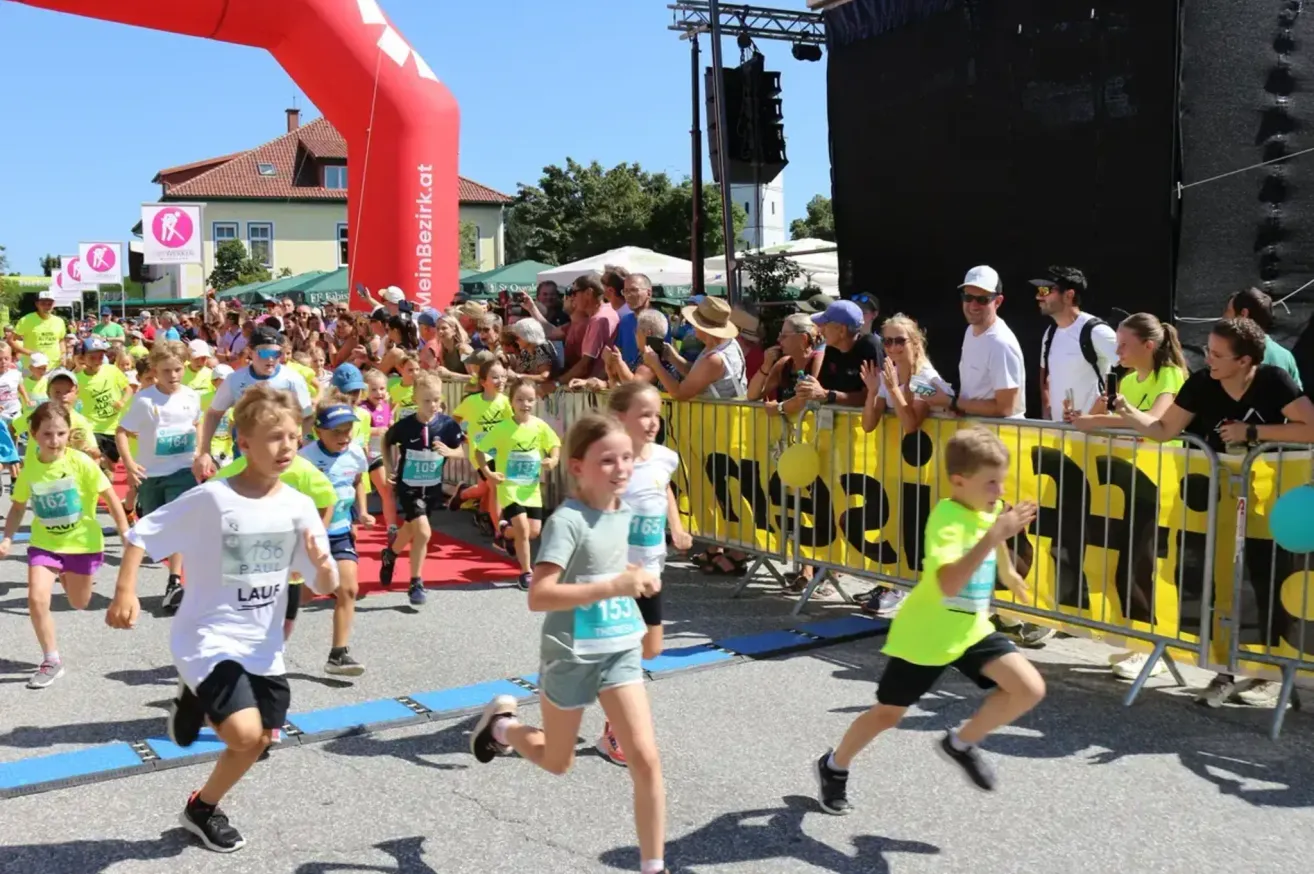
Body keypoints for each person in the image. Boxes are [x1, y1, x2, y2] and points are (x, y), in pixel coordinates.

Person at [106, 384, 339, 854]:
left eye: (294, 436)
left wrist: (325, 563)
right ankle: (199, 690)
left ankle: (201, 806)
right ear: (244, 443)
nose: (287, 446)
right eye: (274, 437)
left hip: (263, 645)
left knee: (259, 742)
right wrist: (124, 592)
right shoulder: (212, 499)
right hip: (207, 636)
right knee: (244, 732)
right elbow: (141, 535)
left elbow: (324, 585)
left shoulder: (298, 506)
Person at [469, 413, 668, 874]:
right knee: (556, 762)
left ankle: (654, 866)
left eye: (625, 458)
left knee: (647, 758)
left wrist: (643, 582)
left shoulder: (625, 512)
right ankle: (502, 726)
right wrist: (614, 587)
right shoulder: (568, 521)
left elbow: (626, 572)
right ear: (577, 467)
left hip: (619, 651)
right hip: (570, 653)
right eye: (607, 460)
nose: (621, 468)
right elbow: (540, 596)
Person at [814, 427, 1044, 813]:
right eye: (991, 482)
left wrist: (1009, 572)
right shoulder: (947, 520)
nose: (999, 492)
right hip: (927, 634)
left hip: (970, 629)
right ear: (959, 481)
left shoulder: (983, 509)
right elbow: (949, 583)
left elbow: (994, 530)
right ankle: (834, 767)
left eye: (1002, 482)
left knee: (1029, 688)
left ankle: (960, 742)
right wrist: (995, 537)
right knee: (888, 714)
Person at [1111, 317, 1314, 707]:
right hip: (1218, 499)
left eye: (1218, 354)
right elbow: (1164, 430)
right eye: (1207, 350)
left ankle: (1267, 673)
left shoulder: (1272, 381)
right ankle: (1225, 670)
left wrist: (1253, 433)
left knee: (1264, 578)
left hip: (1268, 499)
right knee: (1218, 582)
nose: (1208, 359)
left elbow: (1310, 426)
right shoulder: (1203, 383)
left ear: (1245, 361)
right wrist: (1127, 413)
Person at [1069, 312, 1188, 679]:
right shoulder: (1128, 377)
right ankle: (1138, 640)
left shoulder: (1169, 375)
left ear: (1148, 346)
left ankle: (1149, 645)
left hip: (1157, 484)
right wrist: (1087, 416)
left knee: (1142, 565)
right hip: (1127, 482)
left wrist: (1100, 419)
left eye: (1124, 344)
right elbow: (1107, 418)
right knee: (1125, 565)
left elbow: (1154, 421)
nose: (1117, 350)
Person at [0, 402, 131, 689]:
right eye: (47, 434)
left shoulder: (81, 462)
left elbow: (109, 496)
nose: (54, 440)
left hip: (81, 544)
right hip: (44, 543)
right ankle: (51, 659)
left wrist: (125, 533)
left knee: (78, 602)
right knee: (36, 598)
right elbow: (19, 506)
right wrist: (7, 537)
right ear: (34, 434)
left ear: (69, 433)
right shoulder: (31, 465)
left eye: (60, 433)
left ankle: (66, 574)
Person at [595, 383, 692, 767]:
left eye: (656, 414)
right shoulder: (610, 462)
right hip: (618, 575)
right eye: (644, 415)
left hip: (652, 571)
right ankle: (615, 728)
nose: (653, 422)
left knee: (651, 648)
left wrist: (677, 526)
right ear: (622, 418)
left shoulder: (666, 457)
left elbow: (663, 490)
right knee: (625, 655)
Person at [116, 340, 203, 615]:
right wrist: (129, 465)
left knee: (178, 524)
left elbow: (198, 423)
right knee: (156, 528)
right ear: (155, 370)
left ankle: (175, 582)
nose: (174, 376)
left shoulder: (191, 396)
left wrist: (201, 452)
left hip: (183, 471)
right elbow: (121, 431)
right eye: (167, 371)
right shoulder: (144, 400)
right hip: (151, 473)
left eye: (178, 369)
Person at [379, 372, 465, 604]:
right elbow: (386, 441)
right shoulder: (406, 426)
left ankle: (390, 554)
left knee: (411, 529)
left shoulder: (447, 425)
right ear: (415, 399)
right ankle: (416, 582)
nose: (433, 405)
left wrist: (450, 452)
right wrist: (388, 468)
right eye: (426, 400)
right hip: (409, 487)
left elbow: (462, 450)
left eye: (436, 399)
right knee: (424, 532)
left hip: (432, 488)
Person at [300, 400, 372, 675]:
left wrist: (361, 512)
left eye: (348, 430)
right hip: (310, 536)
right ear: (319, 431)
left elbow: (356, 482)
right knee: (304, 594)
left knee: (348, 589)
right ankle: (265, 629)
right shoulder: (304, 458)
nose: (344, 437)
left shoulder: (355, 454)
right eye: (336, 432)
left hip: (340, 531)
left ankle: (338, 655)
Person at [194, 325, 313, 479]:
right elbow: (213, 414)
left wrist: (306, 444)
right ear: (250, 351)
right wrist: (205, 451)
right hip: (247, 452)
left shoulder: (293, 379)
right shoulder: (235, 380)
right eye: (264, 353)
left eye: (276, 354)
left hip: (283, 451)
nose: (270, 359)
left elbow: (308, 416)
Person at [476, 377, 561, 590]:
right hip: (510, 487)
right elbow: (480, 451)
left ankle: (504, 532)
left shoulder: (540, 426)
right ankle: (526, 571)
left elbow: (554, 444)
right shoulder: (503, 428)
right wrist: (488, 473)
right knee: (523, 528)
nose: (526, 404)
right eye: (520, 399)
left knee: (533, 532)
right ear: (511, 402)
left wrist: (553, 460)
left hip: (531, 489)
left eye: (530, 400)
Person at [928, 266, 1027, 420]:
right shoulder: (971, 331)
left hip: (1000, 438)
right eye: (968, 297)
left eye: (982, 299)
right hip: (979, 433)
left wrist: (952, 402)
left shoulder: (1000, 343)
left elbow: (1006, 408)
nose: (973, 305)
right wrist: (956, 405)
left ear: (998, 302)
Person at [1032, 267, 1118, 421]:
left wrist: (1101, 407)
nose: (1038, 296)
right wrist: (1047, 412)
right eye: (1039, 290)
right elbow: (1046, 378)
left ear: (1068, 295)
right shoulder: (1050, 333)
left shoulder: (1097, 331)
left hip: (1095, 436)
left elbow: (1134, 366)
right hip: (1059, 435)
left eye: (1045, 290)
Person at [861, 313, 952, 437]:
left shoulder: (924, 377)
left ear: (914, 342)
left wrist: (893, 389)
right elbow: (867, 426)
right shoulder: (888, 375)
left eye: (900, 341)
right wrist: (872, 393)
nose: (893, 347)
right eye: (887, 341)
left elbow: (911, 426)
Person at [450, 359, 513, 532]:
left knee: (484, 488)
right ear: (483, 381)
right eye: (495, 377)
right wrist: (460, 434)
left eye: (503, 376)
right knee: (495, 486)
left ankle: (463, 494)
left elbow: (512, 425)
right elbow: (455, 419)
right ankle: (499, 531)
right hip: (481, 453)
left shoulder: (506, 402)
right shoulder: (472, 401)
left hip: (500, 452)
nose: (500, 381)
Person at [644, 297, 746, 401]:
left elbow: (679, 393)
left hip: (717, 416)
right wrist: (674, 358)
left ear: (705, 328)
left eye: (695, 323)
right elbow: (697, 374)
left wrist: (655, 365)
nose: (693, 326)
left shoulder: (714, 359)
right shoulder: (727, 343)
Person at [795, 300, 884, 409]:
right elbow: (822, 388)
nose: (820, 330)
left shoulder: (870, 346)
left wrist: (829, 395)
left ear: (842, 330)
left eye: (825, 324)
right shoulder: (832, 348)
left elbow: (872, 395)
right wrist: (811, 388)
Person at [1224, 286, 1304, 389]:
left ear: (1244, 314)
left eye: (1228, 311)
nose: (1224, 317)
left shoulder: (1231, 355)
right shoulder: (1286, 357)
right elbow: (1299, 399)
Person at [748, 313, 824, 417]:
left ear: (803, 338)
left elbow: (807, 398)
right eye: (780, 335)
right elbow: (752, 395)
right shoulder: (784, 364)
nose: (778, 340)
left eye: (784, 336)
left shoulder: (818, 359)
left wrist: (779, 408)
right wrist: (766, 365)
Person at [77, 336, 134, 474]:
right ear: (83, 358)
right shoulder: (78, 379)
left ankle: (104, 467)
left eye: (100, 357)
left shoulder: (111, 370)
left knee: (111, 466)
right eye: (92, 357)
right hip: (93, 426)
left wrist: (122, 401)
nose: (97, 360)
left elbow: (128, 389)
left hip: (114, 426)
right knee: (96, 460)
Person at [359, 368, 398, 539]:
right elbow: (358, 430)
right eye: (373, 389)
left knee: (387, 490)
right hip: (360, 456)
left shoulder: (386, 406)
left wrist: (391, 425)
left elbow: (388, 426)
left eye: (382, 388)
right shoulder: (361, 408)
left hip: (377, 455)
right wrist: (375, 430)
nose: (378, 393)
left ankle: (392, 527)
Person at [13, 290, 68, 370]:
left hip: (54, 366)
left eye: (49, 304)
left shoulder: (59, 321)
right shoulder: (26, 320)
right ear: (37, 304)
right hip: (32, 367)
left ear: (54, 304)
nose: (46, 307)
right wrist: (29, 353)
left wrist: (63, 354)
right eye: (43, 303)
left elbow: (61, 340)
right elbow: (12, 340)